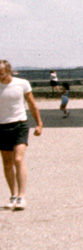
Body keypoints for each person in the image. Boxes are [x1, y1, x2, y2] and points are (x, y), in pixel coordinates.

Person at [2, 60, 42, 211]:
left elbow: (32, 104)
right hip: (1, 126)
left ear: (9, 71)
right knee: (7, 162)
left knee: (18, 159)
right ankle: (13, 195)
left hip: (19, 124)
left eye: (2, 74)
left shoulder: (22, 84)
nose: (0, 77)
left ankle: (21, 196)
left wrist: (39, 123)